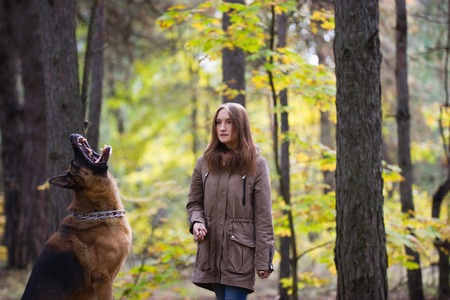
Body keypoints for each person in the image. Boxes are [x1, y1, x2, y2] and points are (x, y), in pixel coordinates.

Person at [186, 102, 275, 300]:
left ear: (240, 125)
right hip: (211, 251)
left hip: (239, 255)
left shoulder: (257, 164)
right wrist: (197, 222)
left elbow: (263, 216)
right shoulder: (204, 162)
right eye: (218, 122)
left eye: (229, 122)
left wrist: (264, 260)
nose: (222, 128)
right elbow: (194, 203)